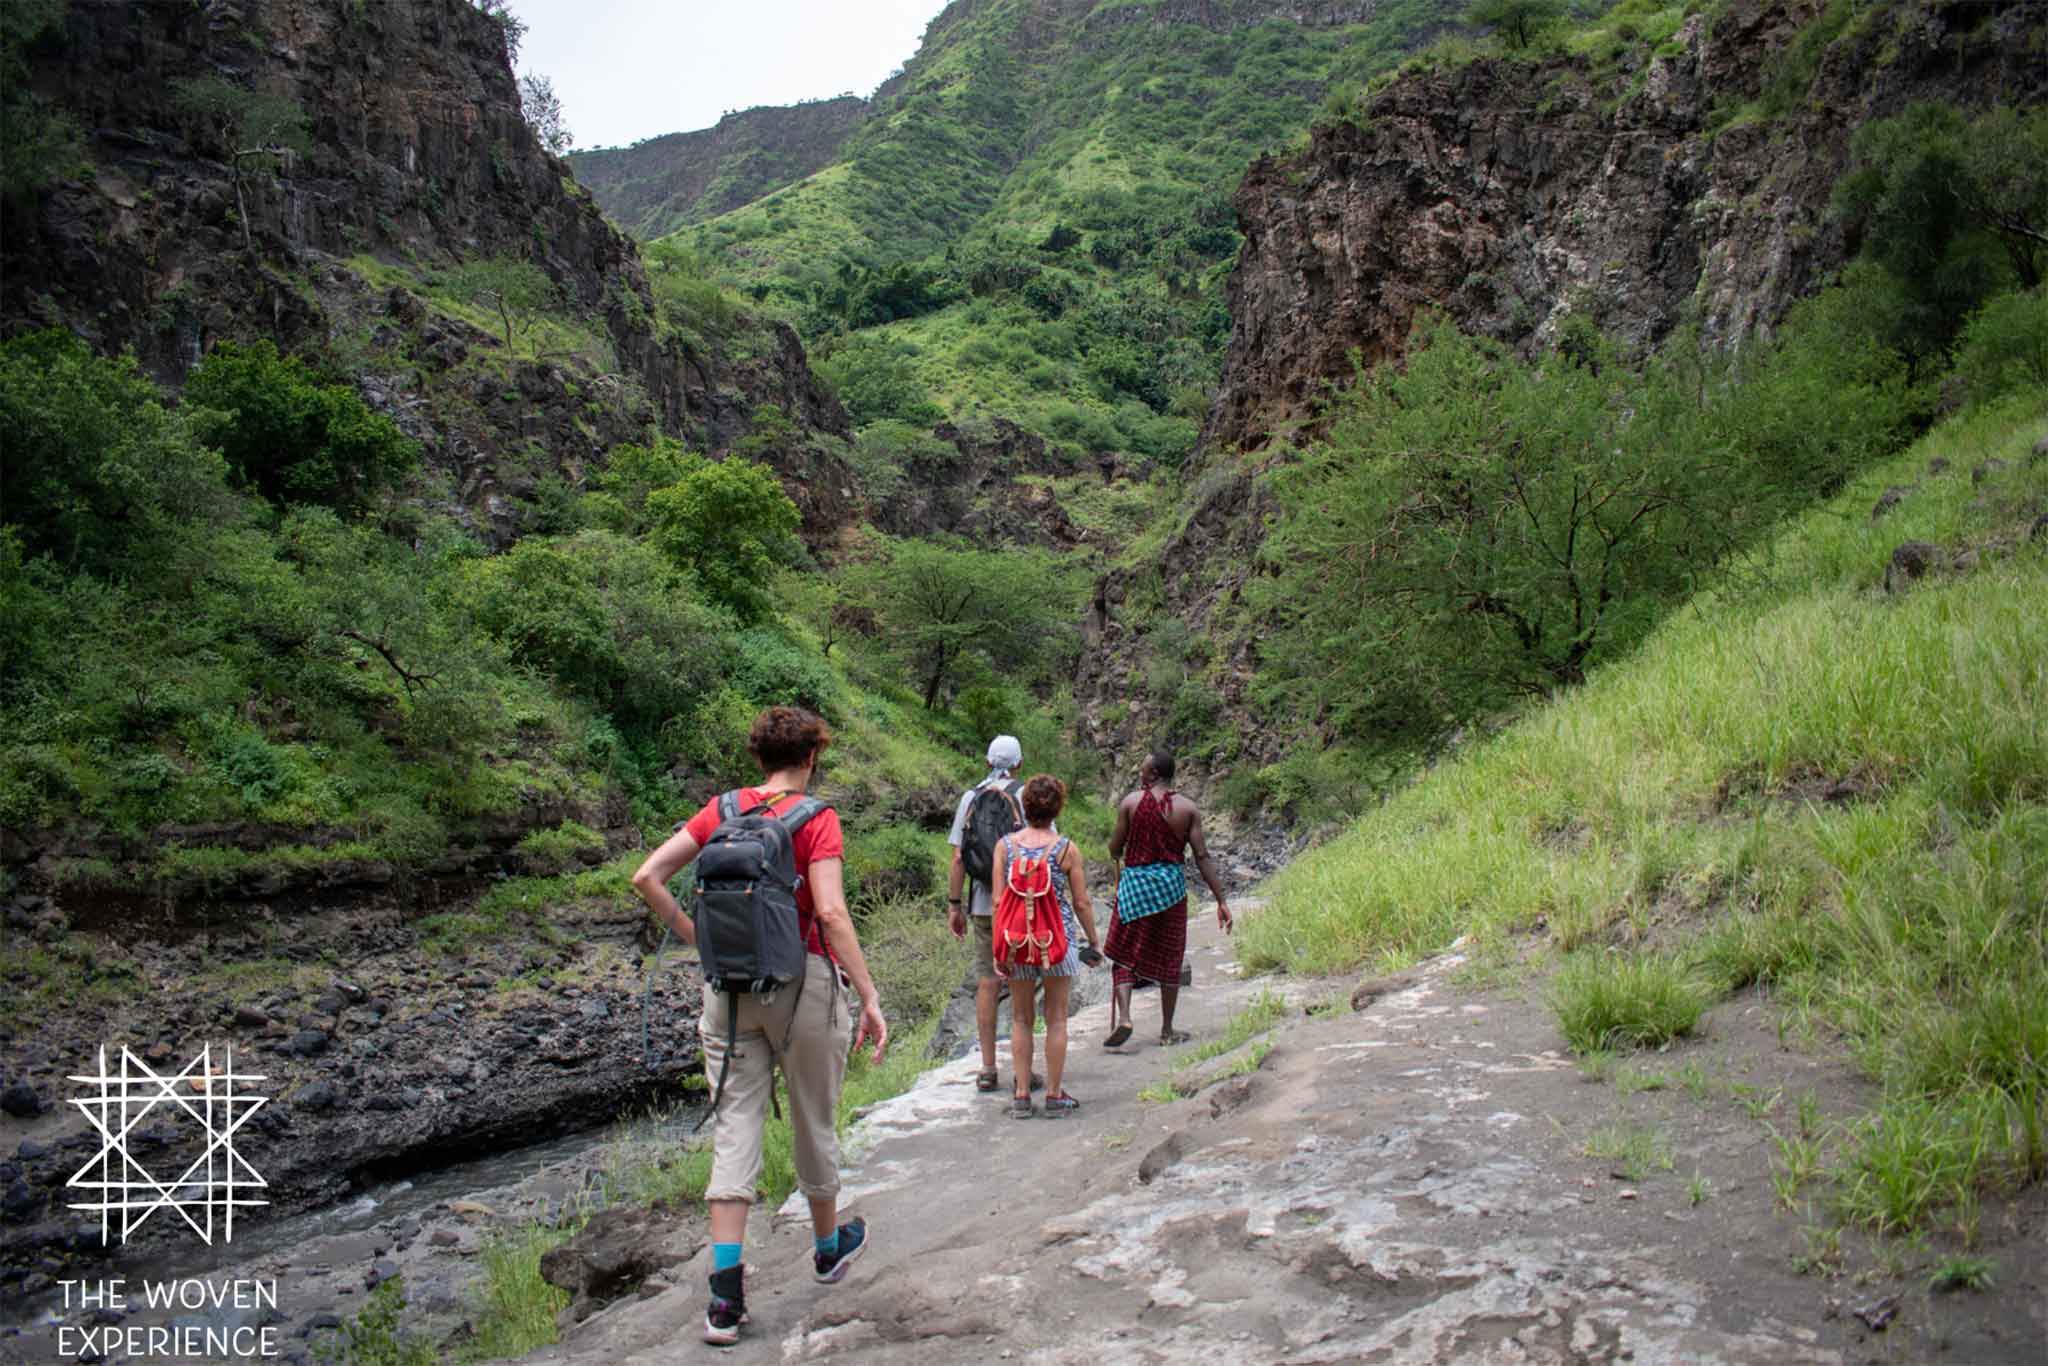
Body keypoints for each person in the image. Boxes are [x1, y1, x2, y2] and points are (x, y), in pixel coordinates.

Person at [631, 706, 888, 1347]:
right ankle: (826, 1249)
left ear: (758, 757)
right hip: (803, 984)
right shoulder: (816, 817)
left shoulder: (721, 810)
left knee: (734, 1127)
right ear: (812, 756)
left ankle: (724, 1298)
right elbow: (831, 912)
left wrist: (701, 942)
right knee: (813, 1118)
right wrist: (868, 994)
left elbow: (647, 877)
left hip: (728, 990)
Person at [990, 774, 1103, 1118]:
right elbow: (1081, 902)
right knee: (1056, 1018)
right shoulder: (1066, 849)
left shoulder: (1005, 847)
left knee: (1020, 1018)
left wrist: (999, 948)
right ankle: (1054, 1095)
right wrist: (1093, 940)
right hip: (1057, 940)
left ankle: (1022, 1096)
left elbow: (998, 902)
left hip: (1017, 942)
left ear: (1024, 806)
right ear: (1058, 808)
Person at [1102, 750, 1232, 1048]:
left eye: (1143, 769)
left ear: (1154, 773)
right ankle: (1167, 1030)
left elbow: (1114, 847)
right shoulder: (1188, 809)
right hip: (1170, 892)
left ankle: (1125, 1017)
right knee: (1170, 956)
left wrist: (1117, 851)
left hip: (1134, 890)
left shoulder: (1130, 803)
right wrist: (1221, 900)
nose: (1140, 773)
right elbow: (1202, 856)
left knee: (1123, 954)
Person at [946, 735, 1041, 1094]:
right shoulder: (1026, 795)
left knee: (987, 982)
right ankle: (1022, 1071)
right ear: (1019, 764)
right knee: (1021, 982)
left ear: (987, 762)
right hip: (1021, 904)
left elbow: (958, 858)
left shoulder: (970, 798)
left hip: (983, 905)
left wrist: (955, 905)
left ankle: (987, 1068)